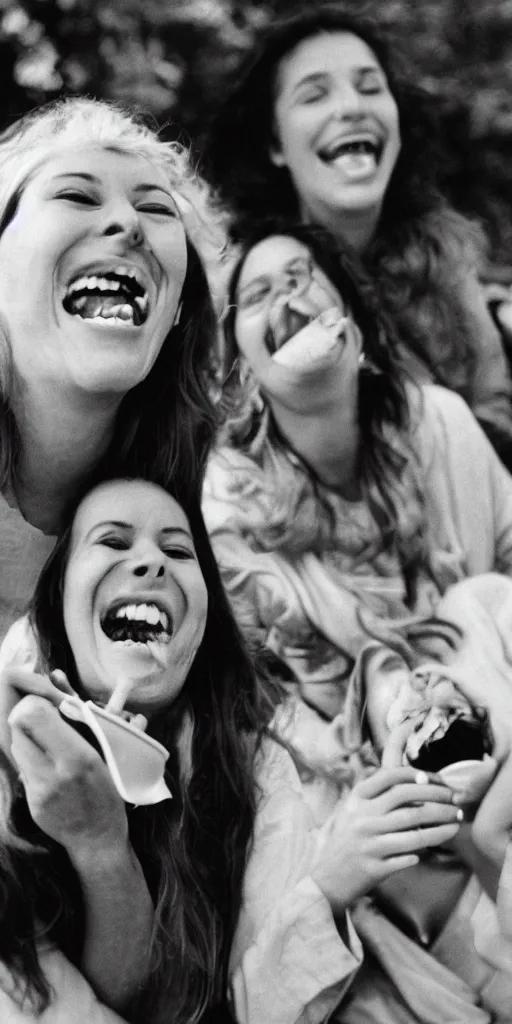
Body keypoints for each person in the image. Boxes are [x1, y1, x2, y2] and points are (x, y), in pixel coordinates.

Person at [202, 223, 512, 723]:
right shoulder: (227, 516)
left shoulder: (442, 424)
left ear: (354, 325)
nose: (284, 295)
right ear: (246, 372)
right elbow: (253, 706)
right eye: (256, 295)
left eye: (301, 276)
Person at [0, 476, 281, 1023]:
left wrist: (100, 842)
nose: (152, 562)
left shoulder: (256, 778)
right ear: (58, 601)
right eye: (112, 541)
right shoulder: (8, 729)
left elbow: (155, 1006)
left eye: (177, 550)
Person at [204, 5, 512, 461]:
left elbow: (498, 420)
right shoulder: (238, 293)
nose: (351, 108)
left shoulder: (447, 260)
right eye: (314, 96)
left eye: (370, 87)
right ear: (274, 144)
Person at [0, 95, 221, 644]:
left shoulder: (215, 507)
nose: (127, 223)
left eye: (156, 208)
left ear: (176, 312)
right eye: (76, 195)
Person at [276, 573, 512, 1022]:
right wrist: (481, 839)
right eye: (410, 722)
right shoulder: (448, 850)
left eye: (402, 671)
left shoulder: (479, 617)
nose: (419, 689)